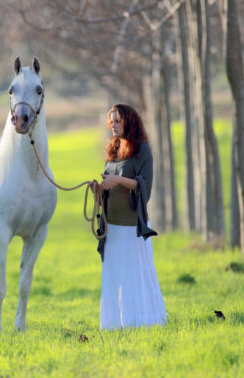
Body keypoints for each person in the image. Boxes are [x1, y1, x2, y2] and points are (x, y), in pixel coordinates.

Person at [96, 103, 166, 330]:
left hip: (132, 226)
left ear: (129, 121)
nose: (113, 126)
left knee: (134, 275)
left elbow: (145, 185)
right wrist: (100, 188)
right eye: (111, 121)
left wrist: (117, 180)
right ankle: (115, 324)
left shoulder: (142, 150)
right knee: (114, 275)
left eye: (117, 121)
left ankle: (141, 321)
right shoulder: (113, 149)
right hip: (112, 226)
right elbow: (111, 182)